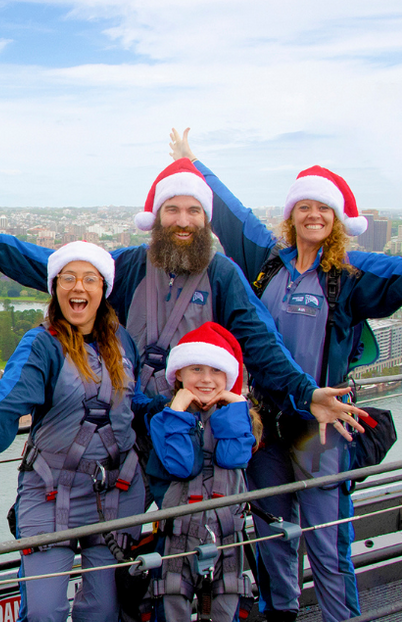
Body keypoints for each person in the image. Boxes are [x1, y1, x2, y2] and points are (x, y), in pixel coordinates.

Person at [0, 160, 364, 442]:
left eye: (193, 211)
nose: (183, 221)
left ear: (205, 220)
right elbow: (64, 271)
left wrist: (306, 393)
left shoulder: (222, 275)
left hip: (197, 420)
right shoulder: (131, 265)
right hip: (130, 417)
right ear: (157, 216)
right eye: (172, 210)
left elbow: (261, 342)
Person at [169, 128, 402, 622]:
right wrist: (195, 163)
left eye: (323, 209)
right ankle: (284, 613)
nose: (313, 216)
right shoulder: (269, 264)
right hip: (266, 425)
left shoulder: (350, 274)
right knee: (274, 535)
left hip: (320, 427)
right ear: (292, 214)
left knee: (326, 543)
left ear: (336, 220)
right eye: (304, 207)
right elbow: (234, 218)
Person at [0, 242, 144, 622]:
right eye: (68, 279)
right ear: (55, 288)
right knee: (44, 611)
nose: (78, 288)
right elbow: (7, 399)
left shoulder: (122, 342)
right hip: (53, 492)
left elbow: (136, 406)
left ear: (104, 289)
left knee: (103, 611)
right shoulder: (43, 345)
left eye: (89, 279)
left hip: (113, 494)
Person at [148, 322, 261, 622]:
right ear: (179, 375)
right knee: (172, 600)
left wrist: (236, 407)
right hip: (178, 536)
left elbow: (233, 456)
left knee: (227, 605)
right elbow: (182, 465)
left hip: (226, 534)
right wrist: (177, 412)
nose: (207, 380)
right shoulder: (164, 419)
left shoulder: (238, 417)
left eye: (216, 371)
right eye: (196, 369)